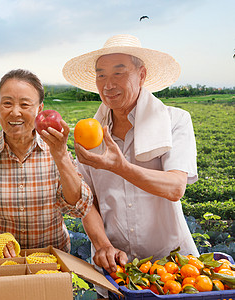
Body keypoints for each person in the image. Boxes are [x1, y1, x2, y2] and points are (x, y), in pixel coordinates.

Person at [62, 34, 199, 287]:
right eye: (101, 75)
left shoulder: (175, 121)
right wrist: (103, 245)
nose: (108, 84)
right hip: (115, 269)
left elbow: (175, 187)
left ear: (142, 75)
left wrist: (121, 167)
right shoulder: (89, 133)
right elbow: (86, 200)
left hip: (171, 267)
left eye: (119, 73)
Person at [0, 69, 94, 257]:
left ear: (40, 109)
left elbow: (79, 207)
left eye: (24, 104)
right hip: (0, 262)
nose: (15, 112)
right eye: (7, 103)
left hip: (52, 262)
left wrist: (61, 156)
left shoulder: (54, 148)